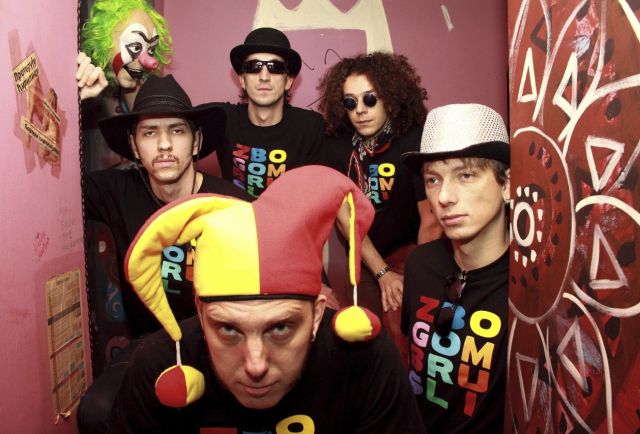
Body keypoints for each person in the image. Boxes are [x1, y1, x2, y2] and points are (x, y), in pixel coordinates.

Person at [107, 165, 425, 434]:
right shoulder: (157, 366)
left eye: (281, 328)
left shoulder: (366, 360)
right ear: (201, 315)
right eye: (228, 330)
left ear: (317, 314)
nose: (256, 365)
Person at [78, 74, 251, 434]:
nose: (164, 145)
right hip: (153, 344)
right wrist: (72, 101)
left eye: (177, 131)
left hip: (225, 343)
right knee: (97, 411)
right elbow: (54, 182)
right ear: (133, 145)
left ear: (196, 141)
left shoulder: (232, 204)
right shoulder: (117, 191)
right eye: (149, 133)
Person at [400, 103, 510, 432]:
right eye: (433, 179)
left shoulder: (525, 290)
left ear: (507, 184)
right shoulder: (420, 264)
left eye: (466, 175)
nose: (444, 197)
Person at [318, 52, 442, 318]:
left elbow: (431, 221)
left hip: (411, 252)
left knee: (406, 325)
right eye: (350, 102)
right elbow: (346, 218)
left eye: (370, 99)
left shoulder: (413, 140)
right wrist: (381, 272)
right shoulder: (337, 145)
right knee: (365, 328)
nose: (360, 110)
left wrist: (419, 277)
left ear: (389, 98)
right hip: (365, 255)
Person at [215, 27, 326, 198]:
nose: (264, 77)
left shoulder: (310, 127)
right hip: (237, 215)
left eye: (275, 67)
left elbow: (320, 194)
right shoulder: (223, 119)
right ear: (242, 80)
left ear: (288, 81)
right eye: (254, 67)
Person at [76, 0, 172, 109]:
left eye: (151, 50)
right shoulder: (87, 79)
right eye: (136, 47)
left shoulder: (147, 91)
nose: (150, 61)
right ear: (104, 43)